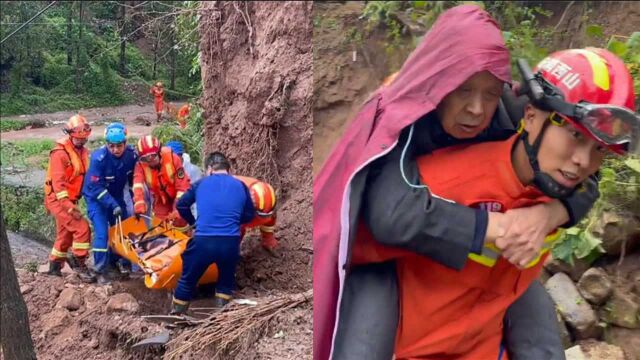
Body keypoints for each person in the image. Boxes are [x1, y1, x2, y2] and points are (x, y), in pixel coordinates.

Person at [313, 5, 600, 360]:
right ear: (438, 80)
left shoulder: (510, 109)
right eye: (463, 90)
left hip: (483, 263)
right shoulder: (401, 114)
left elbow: (583, 169)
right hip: (390, 258)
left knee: (541, 343)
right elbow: (392, 217)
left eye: (489, 93)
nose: (477, 110)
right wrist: (495, 226)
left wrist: (547, 216)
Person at [349, 47, 638, 359]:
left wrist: (548, 214)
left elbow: (586, 186)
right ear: (531, 117)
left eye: (599, 149)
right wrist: (490, 226)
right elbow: (379, 225)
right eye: (572, 134)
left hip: (484, 315)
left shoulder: (551, 168)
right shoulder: (408, 127)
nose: (582, 161)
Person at [172, 152, 256, 314]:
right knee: (226, 280)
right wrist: (232, 221)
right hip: (230, 243)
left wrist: (193, 223)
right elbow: (249, 215)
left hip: (204, 241)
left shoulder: (201, 183)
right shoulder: (240, 185)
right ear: (228, 170)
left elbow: (182, 205)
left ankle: (177, 315)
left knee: (188, 279)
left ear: (209, 168)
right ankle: (221, 317)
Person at [82, 122, 138, 285]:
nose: (115, 150)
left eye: (119, 146)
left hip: (116, 196)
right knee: (102, 233)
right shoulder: (99, 158)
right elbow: (94, 186)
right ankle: (99, 269)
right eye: (111, 146)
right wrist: (112, 205)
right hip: (96, 199)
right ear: (106, 144)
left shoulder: (131, 155)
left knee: (123, 230)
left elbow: (133, 180)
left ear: (125, 143)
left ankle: (117, 262)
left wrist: (136, 200)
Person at [43, 114, 95, 283]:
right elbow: (58, 185)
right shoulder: (60, 154)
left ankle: (54, 267)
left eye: (84, 139)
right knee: (82, 228)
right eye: (78, 139)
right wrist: (68, 205)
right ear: (70, 135)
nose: (81, 142)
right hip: (58, 200)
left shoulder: (83, 152)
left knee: (64, 236)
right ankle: (79, 263)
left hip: (71, 200)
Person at [132, 135, 191, 230]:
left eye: (153, 156)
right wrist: (139, 202)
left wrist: (178, 206)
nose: (150, 160)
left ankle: (187, 242)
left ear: (159, 152)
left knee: (180, 220)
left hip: (178, 196)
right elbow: (137, 184)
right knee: (160, 224)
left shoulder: (173, 158)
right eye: (145, 158)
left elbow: (183, 185)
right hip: (160, 199)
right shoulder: (140, 165)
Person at [234, 175, 279, 253]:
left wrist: (268, 237)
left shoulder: (265, 196)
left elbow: (270, 217)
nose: (264, 219)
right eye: (260, 216)